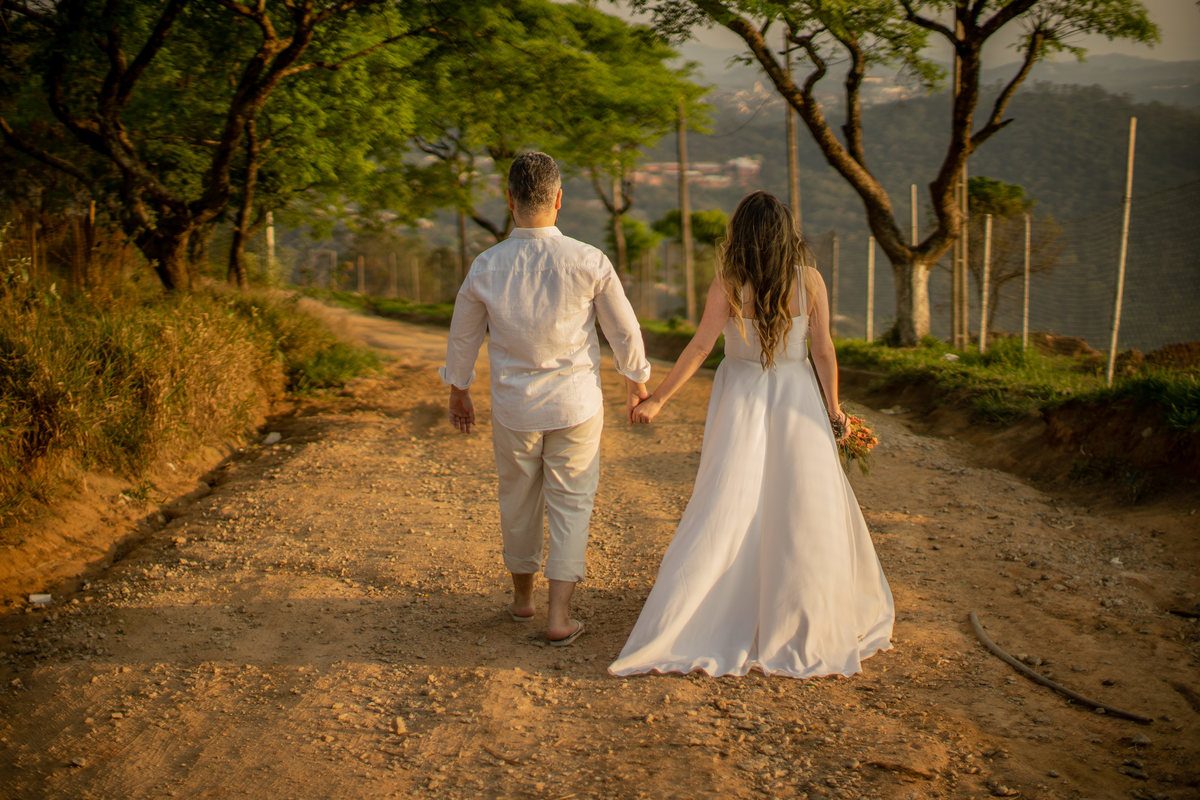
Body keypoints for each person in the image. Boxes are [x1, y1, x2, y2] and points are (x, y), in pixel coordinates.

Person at [609, 191, 893, 678]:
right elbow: (822, 352)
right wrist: (834, 410)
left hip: (740, 397)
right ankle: (804, 615)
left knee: (729, 501)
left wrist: (658, 399)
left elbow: (701, 348)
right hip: (797, 395)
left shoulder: (728, 282)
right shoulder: (811, 282)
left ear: (740, 235)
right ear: (787, 235)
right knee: (801, 503)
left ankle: (713, 609)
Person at [440, 152, 651, 647]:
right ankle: (560, 615)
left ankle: (522, 600)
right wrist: (636, 380)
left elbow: (463, 335)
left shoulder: (487, 265)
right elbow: (623, 330)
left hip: (515, 408)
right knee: (572, 502)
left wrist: (460, 390)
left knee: (518, 500)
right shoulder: (588, 259)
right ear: (559, 200)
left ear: (509, 200)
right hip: (576, 405)